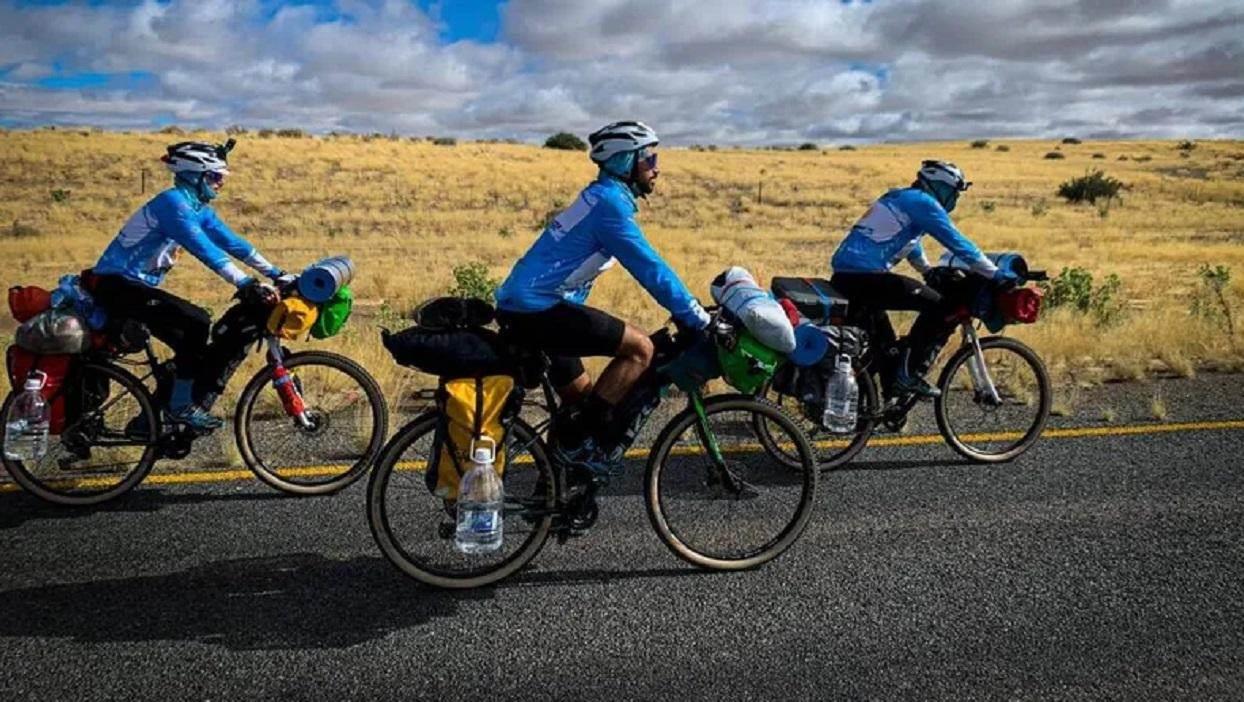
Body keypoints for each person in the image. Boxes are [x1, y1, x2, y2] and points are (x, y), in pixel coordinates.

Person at [494, 121, 710, 478]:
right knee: (641, 349)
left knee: (581, 402)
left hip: (529, 304)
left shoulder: (597, 197)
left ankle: (556, 485)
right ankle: (577, 450)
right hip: (537, 308)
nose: (656, 167)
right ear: (625, 162)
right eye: (649, 158)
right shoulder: (609, 206)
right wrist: (695, 315)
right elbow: (650, 268)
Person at [91, 140, 291, 430]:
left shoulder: (197, 207)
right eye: (214, 176)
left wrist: (276, 272)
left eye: (221, 177)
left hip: (133, 286)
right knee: (196, 323)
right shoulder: (173, 204)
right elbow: (203, 248)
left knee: (192, 336)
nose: (220, 183)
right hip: (117, 285)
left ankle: (158, 410)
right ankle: (179, 407)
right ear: (194, 175)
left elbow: (232, 243)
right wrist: (245, 283)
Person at [829, 160, 1020, 399]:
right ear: (941, 186)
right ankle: (908, 375)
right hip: (866, 278)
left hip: (846, 278)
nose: (954, 199)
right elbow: (957, 243)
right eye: (954, 192)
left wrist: (927, 270)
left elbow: (910, 241)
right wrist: (995, 274)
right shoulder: (923, 202)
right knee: (940, 305)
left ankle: (886, 401)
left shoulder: (901, 197)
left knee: (886, 348)